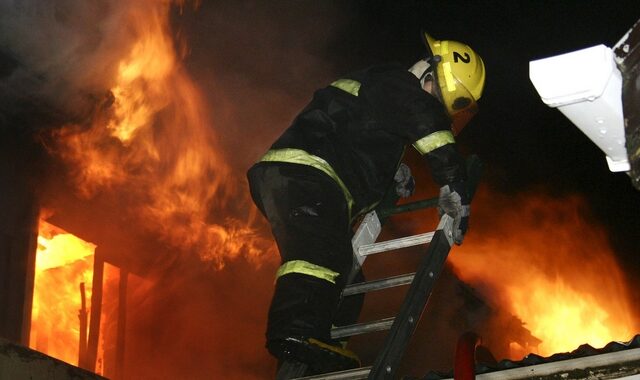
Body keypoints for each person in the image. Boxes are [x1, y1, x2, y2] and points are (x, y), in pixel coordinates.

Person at [247, 32, 485, 375]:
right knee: (319, 256)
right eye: (439, 100)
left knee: (349, 282)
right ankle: (295, 332)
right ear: (429, 75)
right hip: (307, 174)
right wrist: (455, 183)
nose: (437, 111)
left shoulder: (383, 98)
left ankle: (321, 346)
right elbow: (423, 121)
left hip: (304, 178)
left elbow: (357, 132)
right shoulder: (396, 82)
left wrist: (387, 172)